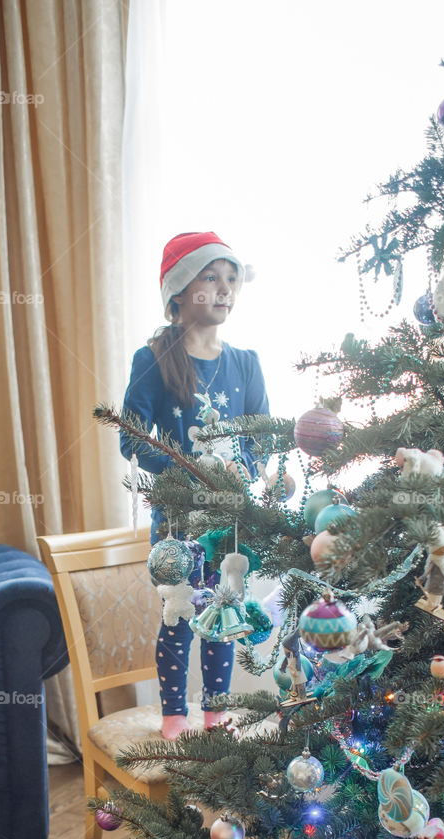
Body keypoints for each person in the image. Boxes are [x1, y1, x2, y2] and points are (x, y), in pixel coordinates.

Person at [120, 231, 270, 739]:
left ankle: (216, 713)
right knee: (178, 618)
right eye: (212, 277)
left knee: (223, 615)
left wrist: (242, 466)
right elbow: (131, 439)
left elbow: (261, 438)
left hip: (226, 525)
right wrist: (186, 473)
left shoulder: (246, 363)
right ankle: (173, 716)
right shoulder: (154, 360)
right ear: (180, 290)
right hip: (177, 523)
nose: (225, 288)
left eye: (232, 278)